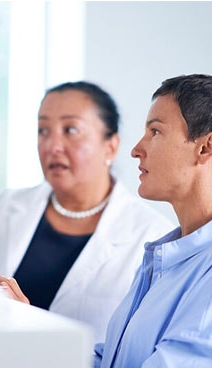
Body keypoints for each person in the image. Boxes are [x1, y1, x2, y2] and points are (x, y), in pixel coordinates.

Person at [0, 81, 173, 344]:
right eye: (43, 130)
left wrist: (25, 322)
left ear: (111, 145)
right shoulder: (9, 205)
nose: (52, 146)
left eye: (70, 130)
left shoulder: (153, 237)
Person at [94, 74, 212, 368]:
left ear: (205, 147)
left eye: (155, 132)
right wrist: (37, 332)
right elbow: (112, 361)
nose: (136, 150)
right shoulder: (163, 259)